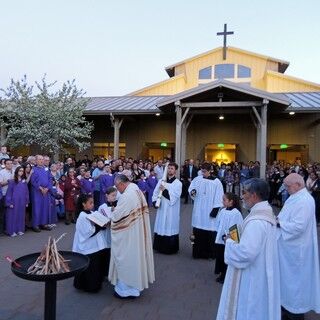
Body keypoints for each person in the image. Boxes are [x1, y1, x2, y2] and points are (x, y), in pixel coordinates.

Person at [216, 178, 280, 320]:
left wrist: (230, 242)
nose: (242, 196)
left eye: (244, 193)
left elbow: (245, 253)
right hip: (260, 270)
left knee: (248, 309)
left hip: (252, 277)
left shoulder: (257, 222)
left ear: (254, 195)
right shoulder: (265, 212)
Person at [277, 173, 320, 319]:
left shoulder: (305, 200)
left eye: (288, 186)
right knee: (287, 283)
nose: (286, 188)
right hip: (289, 249)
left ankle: (294, 312)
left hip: (297, 250)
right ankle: (286, 309)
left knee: (295, 284)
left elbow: (299, 226)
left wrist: (279, 223)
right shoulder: (296, 196)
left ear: (298, 184)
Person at [109, 174, 155, 298]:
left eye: (117, 187)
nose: (117, 190)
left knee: (127, 259)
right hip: (138, 231)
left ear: (122, 184)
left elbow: (117, 218)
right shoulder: (136, 188)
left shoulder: (127, 196)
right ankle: (135, 287)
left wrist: (112, 215)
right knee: (136, 259)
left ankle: (125, 290)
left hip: (128, 234)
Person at [72, 194, 109, 293]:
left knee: (95, 266)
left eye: (93, 202)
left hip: (95, 244)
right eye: (90, 203)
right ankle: (89, 286)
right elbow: (87, 232)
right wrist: (99, 226)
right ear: (84, 204)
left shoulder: (91, 212)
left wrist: (103, 222)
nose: (92, 205)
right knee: (90, 266)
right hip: (87, 245)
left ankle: (95, 283)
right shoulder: (82, 216)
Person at [189, 162, 224, 259]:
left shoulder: (216, 182)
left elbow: (219, 196)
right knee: (198, 232)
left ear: (210, 171)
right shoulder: (197, 179)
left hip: (210, 210)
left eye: (204, 172)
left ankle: (209, 254)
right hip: (199, 210)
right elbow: (191, 189)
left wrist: (215, 209)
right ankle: (197, 253)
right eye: (202, 171)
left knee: (210, 232)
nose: (202, 173)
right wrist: (192, 192)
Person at [152, 162, 182, 254]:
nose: (170, 170)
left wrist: (164, 190)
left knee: (169, 225)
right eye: (168, 168)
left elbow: (175, 197)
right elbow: (156, 192)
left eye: (172, 168)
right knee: (161, 224)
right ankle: (159, 247)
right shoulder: (162, 181)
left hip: (171, 210)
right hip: (162, 208)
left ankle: (170, 249)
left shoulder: (178, 183)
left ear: (175, 171)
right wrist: (154, 202)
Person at [214, 193, 243, 284]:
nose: (222, 201)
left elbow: (236, 226)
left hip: (229, 239)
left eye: (224, 200)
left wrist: (228, 236)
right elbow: (218, 222)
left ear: (231, 202)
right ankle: (222, 273)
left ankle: (226, 276)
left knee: (227, 257)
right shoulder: (222, 211)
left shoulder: (236, 213)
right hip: (220, 238)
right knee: (220, 257)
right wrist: (218, 232)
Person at [98, 186, 118, 275]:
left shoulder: (116, 205)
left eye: (116, 195)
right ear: (107, 195)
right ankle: (105, 272)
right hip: (105, 233)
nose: (115, 197)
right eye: (113, 195)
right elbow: (109, 219)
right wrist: (113, 211)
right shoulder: (103, 206)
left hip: (113, 233)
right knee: (106, 253)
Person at [5, 166, 29, 237]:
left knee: (21, 215)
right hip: (14, 202)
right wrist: (9, 202)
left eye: (22, 171)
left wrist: (27, 201)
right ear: (16, 172)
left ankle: (19, 230)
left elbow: (26, 192)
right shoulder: (12, 181)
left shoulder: (23, 181)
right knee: (12, 216)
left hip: (22, 201)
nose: (21, 172)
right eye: (19, 171)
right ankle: (11, 231)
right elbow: (9, 193)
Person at [30, 155, 52, 232]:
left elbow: (50, 180)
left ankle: (44, 223)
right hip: (37, 191)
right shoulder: (33, 169)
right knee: (37, 208)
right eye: (39, 159)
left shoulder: (47, 169)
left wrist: (47, 188)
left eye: (42, 159)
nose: (42, 161)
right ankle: (35, 225)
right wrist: (40, 188)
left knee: (45, 207)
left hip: (46, 191)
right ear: (35, 161)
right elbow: (32, 181)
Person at [0, 159, 13, 235]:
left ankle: (8, 228)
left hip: (13, 195)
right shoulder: (2, 172)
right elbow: (1, 184)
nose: (10, 165)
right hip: (4, 195)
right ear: (5, 164)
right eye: (8, 164)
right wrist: (9, 181)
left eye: (11, 163)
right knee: (3, 213)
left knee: (10, 213)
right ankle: (1, 230)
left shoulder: (14, 171)